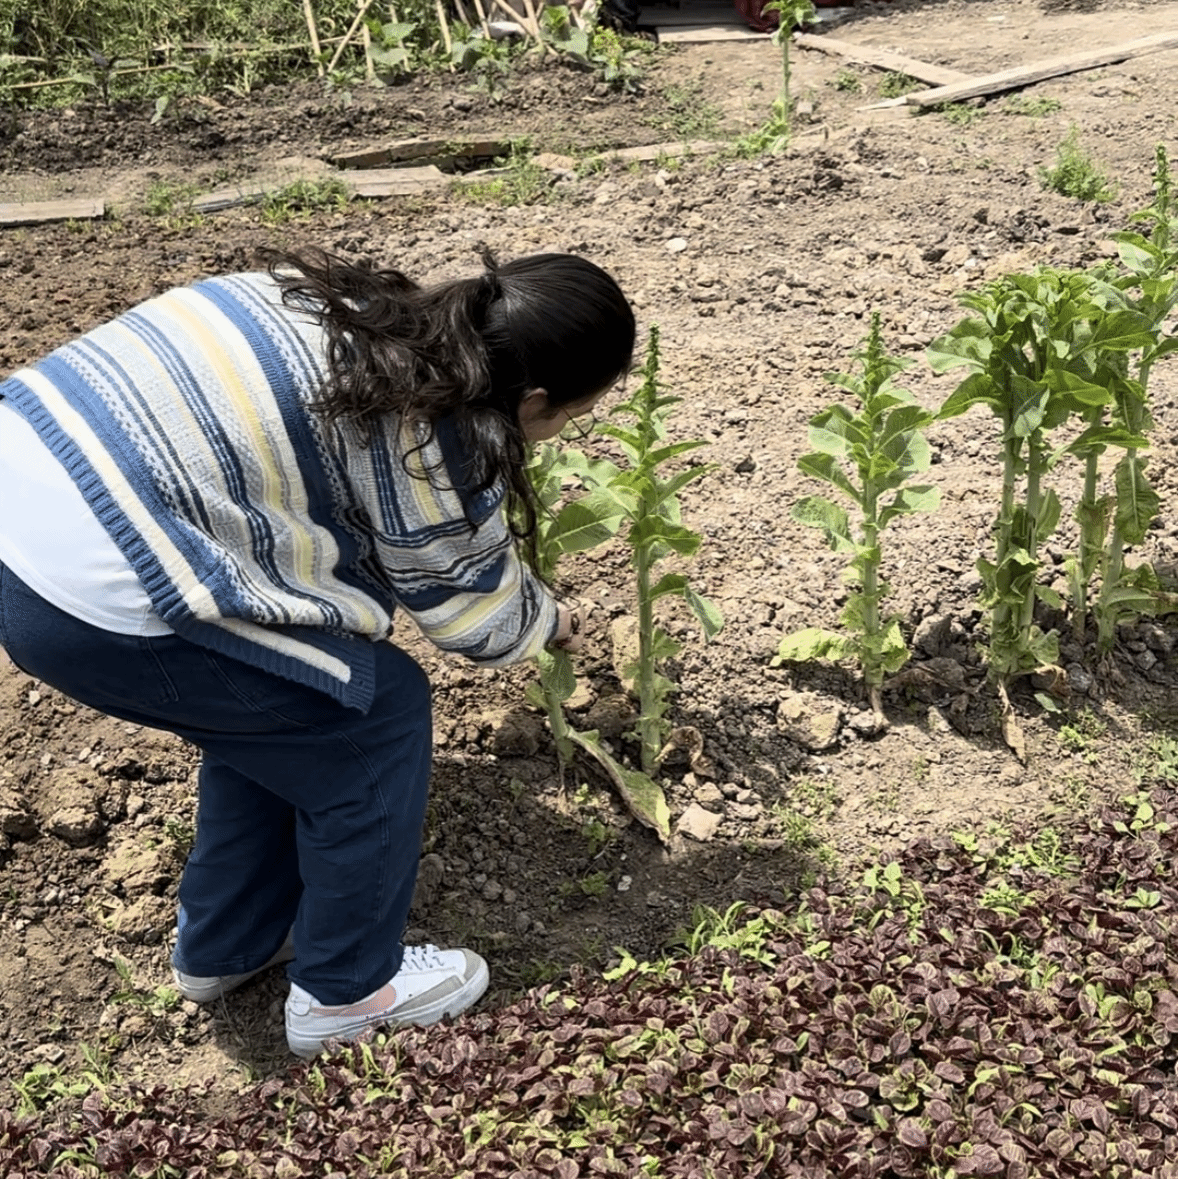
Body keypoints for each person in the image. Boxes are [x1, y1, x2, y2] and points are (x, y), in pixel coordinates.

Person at [0, 246, 636, 1058]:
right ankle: (347, 993)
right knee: (372, 711)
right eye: (570, 416)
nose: (555, 435)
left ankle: (230, 945)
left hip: (30, 486)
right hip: (96, 591)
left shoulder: (341, 308)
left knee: (283, 694)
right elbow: (471, 615)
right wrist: (547, 620)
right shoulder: (428, 430)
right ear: (536, 398)